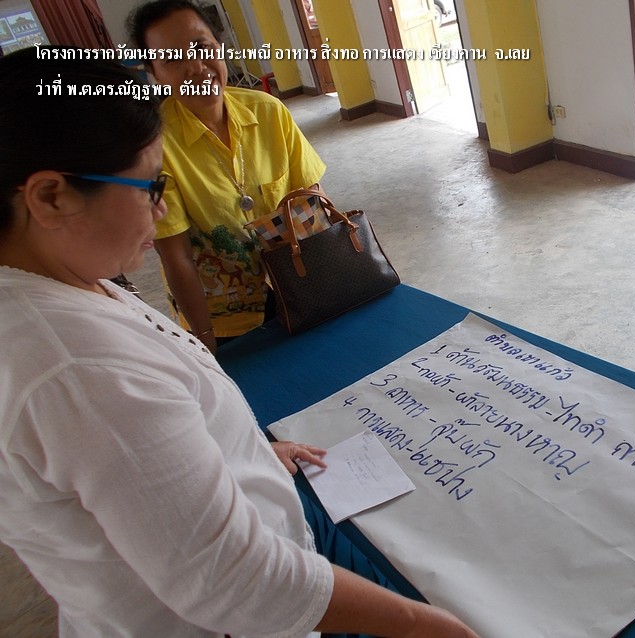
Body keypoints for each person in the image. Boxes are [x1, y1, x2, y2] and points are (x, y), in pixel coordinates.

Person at [0, 47, 478, 638]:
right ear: (51, 197)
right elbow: (233, 581)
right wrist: (425, 627)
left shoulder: (60, 282)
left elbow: (131, 476)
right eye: (150, 185)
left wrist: (237, 457)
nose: (163, 207)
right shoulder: (78, 371)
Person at [127, 0, 326, 354]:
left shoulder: (268, 112)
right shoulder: (155, 148)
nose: (195, 66)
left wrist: (327, 284)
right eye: (171, 59)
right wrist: (205, 341)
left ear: (219, 46)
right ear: (153, 73)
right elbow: (177, 258)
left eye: (200, 47)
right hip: (225, 318)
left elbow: (311, 202)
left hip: (298, 286)